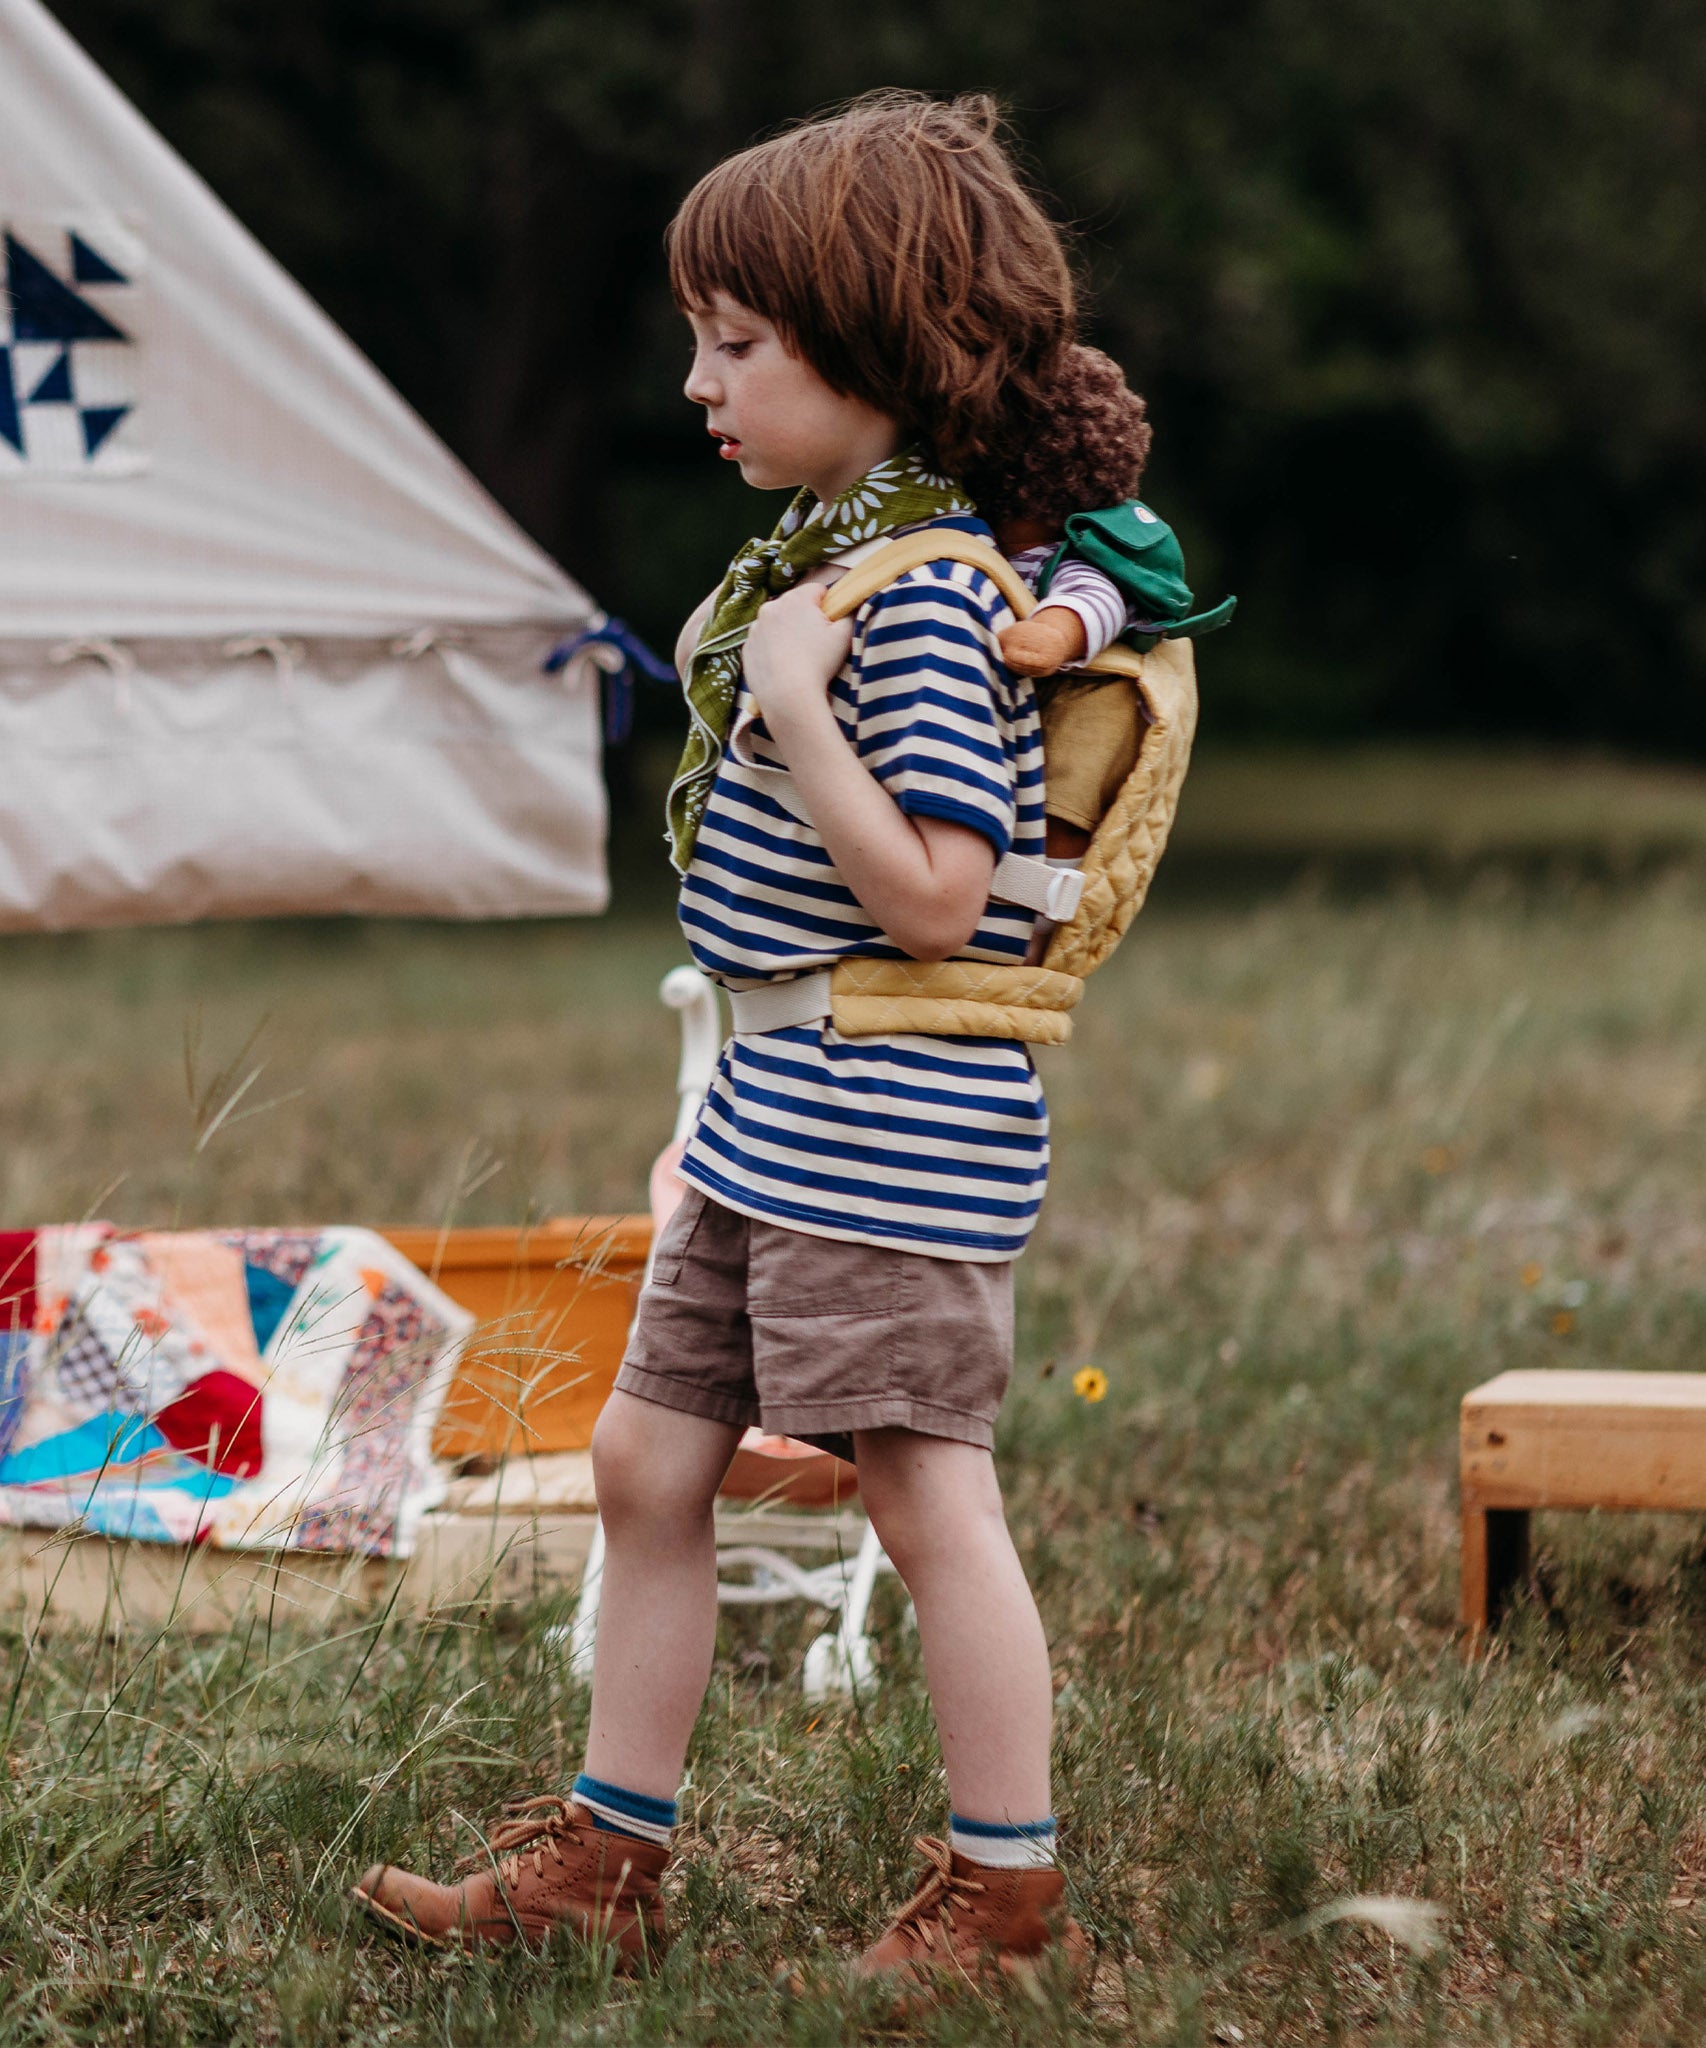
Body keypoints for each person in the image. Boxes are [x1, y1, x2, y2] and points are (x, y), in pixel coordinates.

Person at [353, 90, 1096, 1995]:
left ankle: (1002, 1902)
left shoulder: (917, 602)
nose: (698, 382)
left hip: (890, 1109)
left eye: (738, 342)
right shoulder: (824, 568)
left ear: (875, 345)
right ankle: (606, 1860)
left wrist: (798, 704)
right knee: (643, 1462)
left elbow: (938, 895)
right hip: (784, 1098)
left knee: (921, 1487)